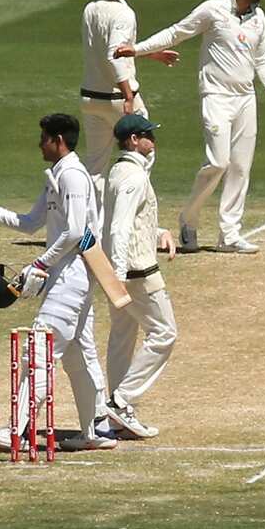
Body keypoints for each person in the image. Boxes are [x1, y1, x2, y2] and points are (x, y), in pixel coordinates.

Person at [0, 114, 116, 452]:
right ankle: (96, 430)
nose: (40, 144)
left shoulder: (74, 175)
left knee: (40, 350)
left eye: (44, 138)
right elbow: (32, 222)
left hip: (72, 275)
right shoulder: (55, 176)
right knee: (79, 354)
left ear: (59, 140)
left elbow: (76, 231)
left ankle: (16, 430)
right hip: (64, 276)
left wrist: (40, 262)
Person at [114, 0, 265, 254]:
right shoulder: (214, 10)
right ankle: (188, 220)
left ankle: (229, 234)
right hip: (216, 96)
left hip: (245, 98)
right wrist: (138, 49)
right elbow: (176, 33)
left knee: (241, 167)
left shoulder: (259, 18)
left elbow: (263, 58)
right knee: (218, 163)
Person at [101, 114, 179, 438]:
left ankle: (117, 417)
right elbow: (119, 227)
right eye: (148, 136)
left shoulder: (119, 171)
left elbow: (128, 223)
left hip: (123, 269)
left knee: (122, 338)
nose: (153, 141)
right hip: (137, 272)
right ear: (133, 140)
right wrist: (117, 276)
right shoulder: (133, 176)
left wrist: (158, 231)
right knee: (164, 334)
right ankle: (120, 400)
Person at [80, 0, 178, 198]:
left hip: (90, 98)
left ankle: (93, 231)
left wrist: (151, 54)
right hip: (117, 99)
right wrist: (127, 96)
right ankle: (132, 210)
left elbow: (111, 49)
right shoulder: (124, 13)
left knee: (95, 168)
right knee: (145, 152)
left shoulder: (90, 8)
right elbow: (114, 55)